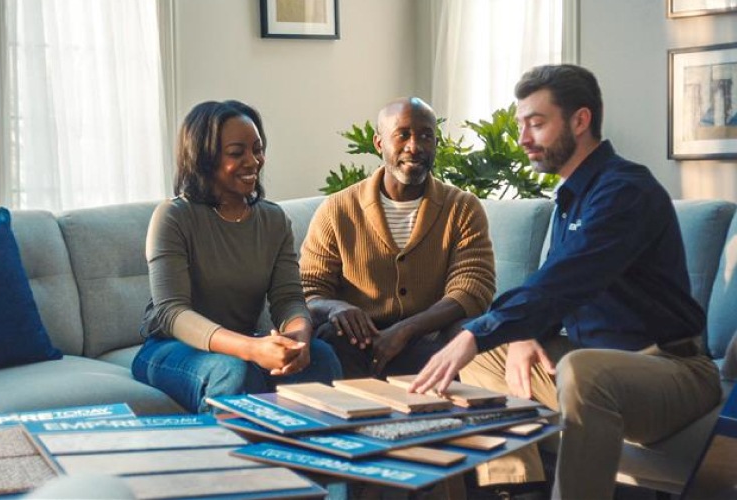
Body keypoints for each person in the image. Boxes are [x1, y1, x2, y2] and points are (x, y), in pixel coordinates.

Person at [410, 64, 723, 499]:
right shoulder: (570, 197)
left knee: (577, 369)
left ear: (580, 120)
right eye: (522, 124)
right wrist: (520, 334)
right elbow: (553, 285)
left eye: (536, 124)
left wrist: (483, 330)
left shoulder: (625, 192)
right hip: (594, 357)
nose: (523, 139)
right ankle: (516, 490)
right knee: (464, 365)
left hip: (672, 370)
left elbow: (571, 277)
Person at [132, 100, 342, 414]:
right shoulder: (174, 217)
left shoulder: (273, 220)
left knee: (322, 356)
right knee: (233, 371)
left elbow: (288, 298)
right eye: (236, 153)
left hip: (244, 344)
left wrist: (298, 339)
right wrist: (252, 349)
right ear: (204, 159)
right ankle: (226, 460)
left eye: (257, 149)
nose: (253, 161)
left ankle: (313, 458)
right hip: (170, 348)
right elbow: (172, 313)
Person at [299, 97, 496, 379]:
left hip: (432, 342)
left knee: (470, 332)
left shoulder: (462, 208)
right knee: (330, 337)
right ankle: (355, 416)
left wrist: (405, 330)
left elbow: (472, 289)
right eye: (402, 135)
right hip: (357, 344)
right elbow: (308, 289)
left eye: (426, 136)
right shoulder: (338, 210)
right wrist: (336, 306)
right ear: (379, 144)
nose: (414, 147)